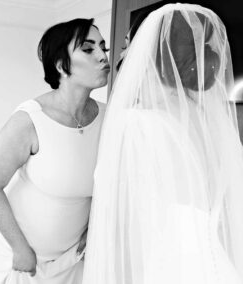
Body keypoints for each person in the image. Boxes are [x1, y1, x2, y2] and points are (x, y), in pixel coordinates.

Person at [83, 4, 243, 284]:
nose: (120, 56)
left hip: (160, 265)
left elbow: (122, 228)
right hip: (215, 265)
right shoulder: (207, 120)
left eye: (126, 45)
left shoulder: (136, 124)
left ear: (149, 51)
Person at [0, 18, 110, 284]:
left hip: (75, 256)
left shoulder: (109, 118)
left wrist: (94, 227)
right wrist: (19, 248)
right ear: (62, 65)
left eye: (103, 47)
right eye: (88, 49)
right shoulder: (29, 120)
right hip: (25, 259)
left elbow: (110, 184)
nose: (102, 56)